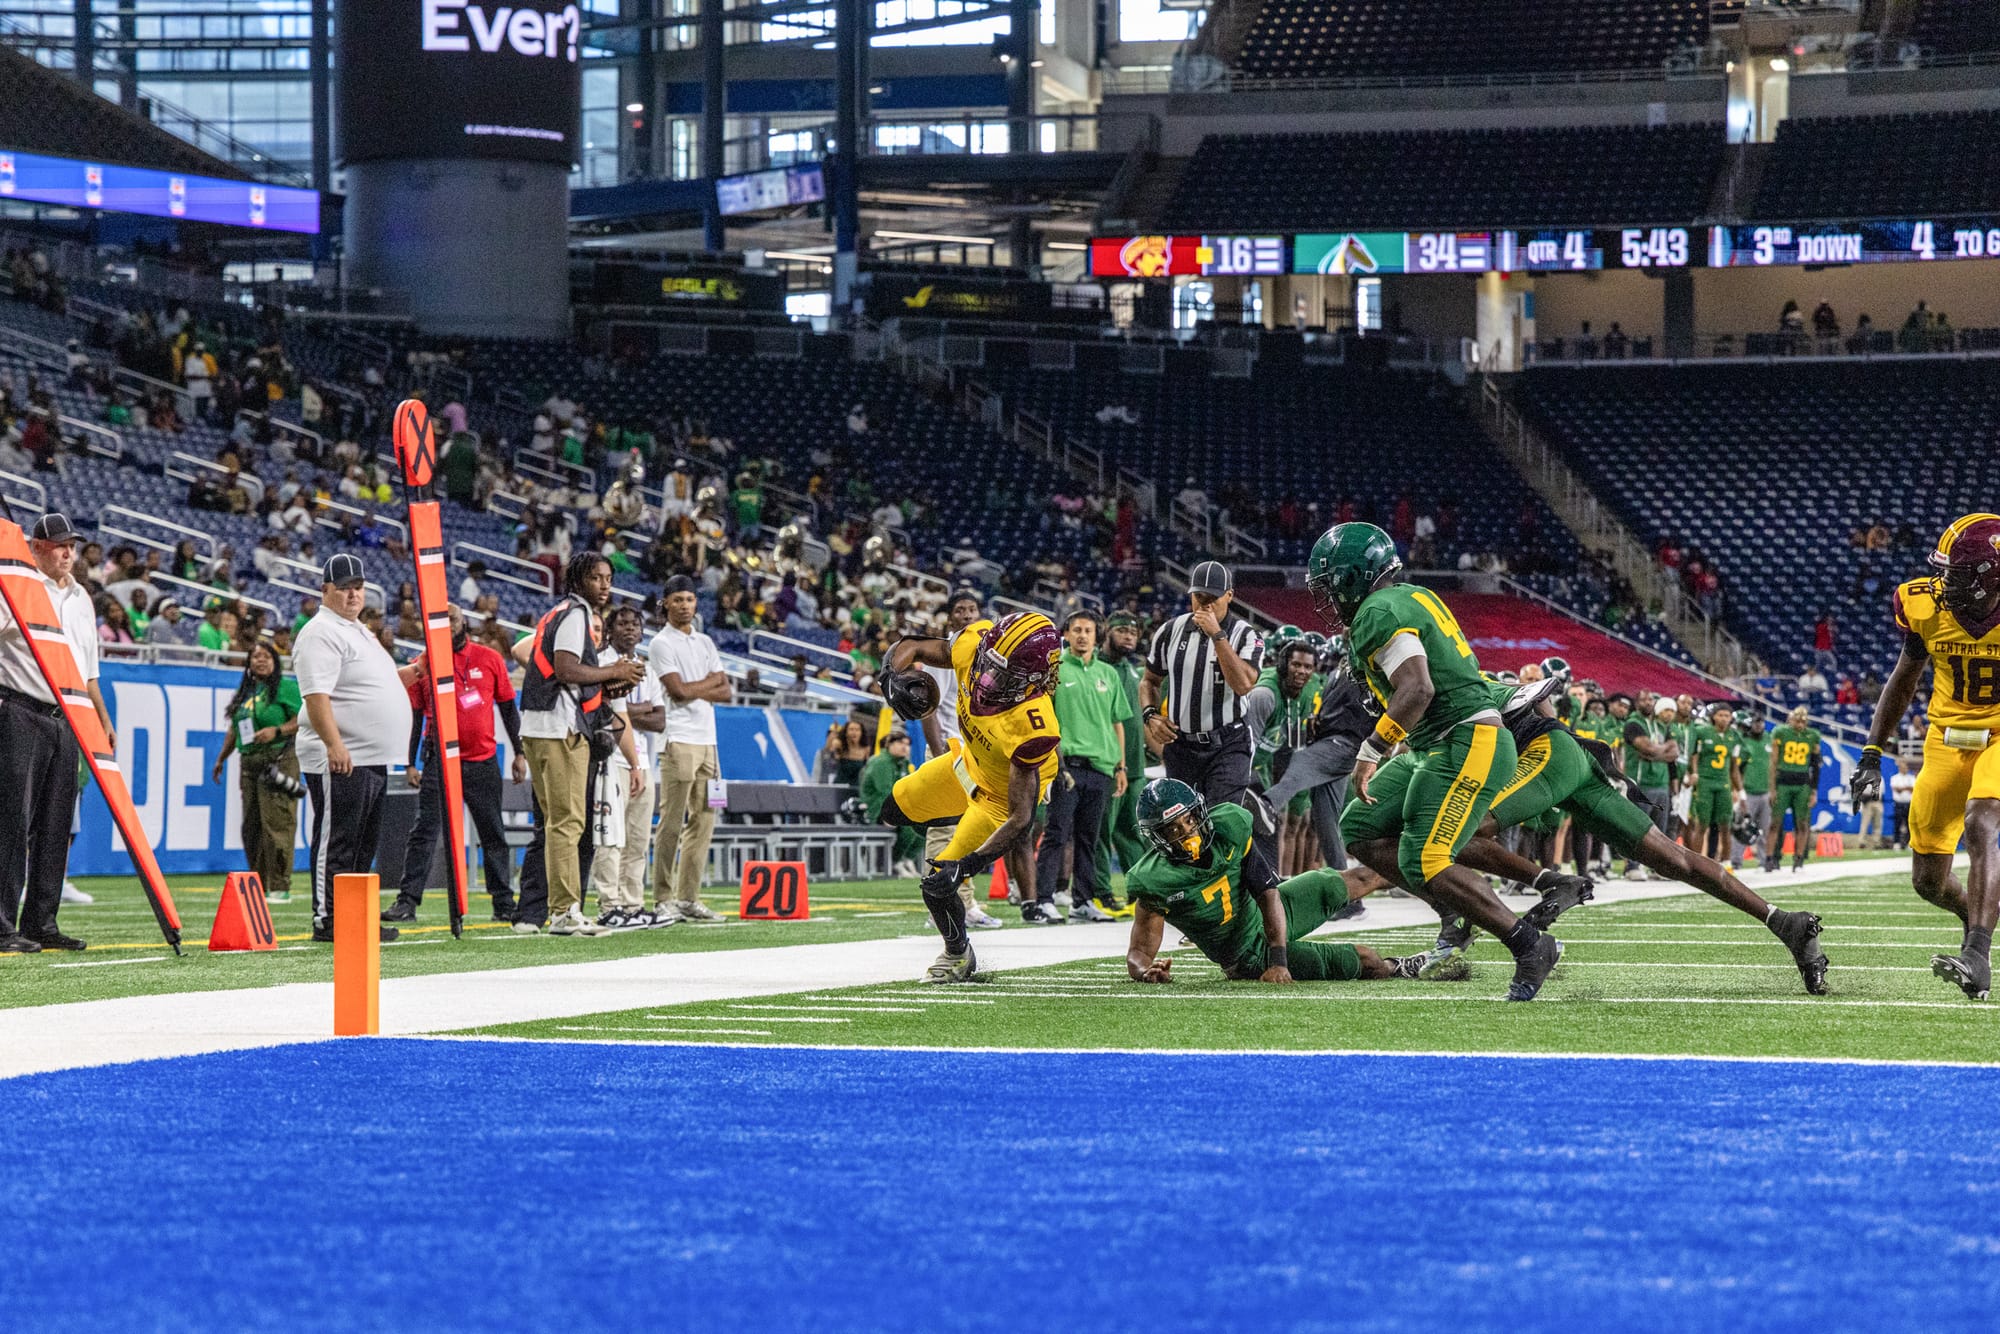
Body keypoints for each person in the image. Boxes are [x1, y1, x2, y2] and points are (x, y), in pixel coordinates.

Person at [1352, 675, 1827, 993]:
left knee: (1453, 829)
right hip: (1567, 757)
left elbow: (1530, 700)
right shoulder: (1442, 686)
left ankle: (1527, 891)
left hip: (1545, 750)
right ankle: (1783, 921)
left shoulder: (1440, 690)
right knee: (1672, 859)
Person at [1302, 521, 1562, 1001]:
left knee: (1424, 857)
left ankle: (1530, 944)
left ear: (1356, 575)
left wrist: (1370, 751)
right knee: (1359, 825)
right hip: (1437, 740)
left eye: (1331, 585)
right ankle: (1455, 912)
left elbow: (1418, 689)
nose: (1329, 599)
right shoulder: (1413, 596)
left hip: (1463, 739)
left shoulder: (1376, 611)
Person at [1850, 514, 2000, 1000]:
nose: (1942, 581)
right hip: (1946, 736)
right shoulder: (1923, 605)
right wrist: (1872, 752)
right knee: (1928, 881)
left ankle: (1978, 952)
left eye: (1954, 572)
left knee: (1983, 822)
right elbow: (1904, 679)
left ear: (1987, 579)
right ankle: (1978, 914)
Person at [878, 610, 1066, 981]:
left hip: (1000, 800)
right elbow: (911, 646)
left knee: (939, 883)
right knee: (893, 810)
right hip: (967, 763)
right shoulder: (975, 643)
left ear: (1032, 681)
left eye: (1002, 673)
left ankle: (957, 953)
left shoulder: (1033, 725)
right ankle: (952, 818)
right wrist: (891, 677)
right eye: (988, 663)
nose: (987, 677)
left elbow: (1020, 819)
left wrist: (969, 866)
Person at [1124, 780, 1440, 985]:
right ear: (1157, 837)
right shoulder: (1155, 881)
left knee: (1358, 878)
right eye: (1173, 829)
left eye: (1190, 819)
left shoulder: (1229, 827)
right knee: (1365, 960)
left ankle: (1444, 882)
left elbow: (1267, 892)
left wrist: (1281, 959)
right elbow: (1139, 951)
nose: (1188, 831)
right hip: (1247, 955)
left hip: (1268, 912)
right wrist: (1145, 972)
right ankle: (1402, 967)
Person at [515, 552, 645, 936]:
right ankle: (564, 910)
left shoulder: (557, 612)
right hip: (559, 727)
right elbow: (566, 668)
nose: (605, 585)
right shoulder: (576, 615)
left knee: (556, 822)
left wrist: (605, 680)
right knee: (568, 822)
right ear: (577, 580)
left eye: (608, 578)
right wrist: (614, 671)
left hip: (539, 725)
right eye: (596, 578)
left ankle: (558, 909)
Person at [0, 513, 110, 952]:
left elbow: (89, 668)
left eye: (72, 545)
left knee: (54, 823)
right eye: (59, 545)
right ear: (36, 547)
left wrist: (101, 717)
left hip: (68, 715)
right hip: (21, 709)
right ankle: (2, 923)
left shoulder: (82, 596)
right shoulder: (15, 588)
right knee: (12, 820)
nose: (68, 553)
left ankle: (41, 920)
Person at [382, 604, 528, 925]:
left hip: (482, 760)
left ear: (464, 623)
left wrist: (519, 753)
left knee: (492, 832)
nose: (446, 624)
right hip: (438, 760)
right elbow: (416, 715)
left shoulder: (489, 659)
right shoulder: (422, 664)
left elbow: (507, 709)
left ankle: (503, 903)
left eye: (452, 618)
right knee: (425, 831)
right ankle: (407, 902)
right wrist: (410, 762)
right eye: (440, 619)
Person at [294, 553, 413, 944]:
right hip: (344, 754)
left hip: (371, 756)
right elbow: (316, 695)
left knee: (363, 845)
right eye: (344, 588)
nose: (352, 595)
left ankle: (356, 915)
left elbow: (372, 684)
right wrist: (334, 744)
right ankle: (327, 919)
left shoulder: (359, 631)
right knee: (338, 841)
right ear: (325, 590)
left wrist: (415, 673)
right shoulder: (320, 632)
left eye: (358, 588)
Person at [1139, 561, 1268, 833]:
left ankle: (1243, 869)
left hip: (1227, 744)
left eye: (1213, 599)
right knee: (1181, 831)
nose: (1205, 606)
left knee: (1220, 826)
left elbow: (1244, 684)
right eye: (1200, 598)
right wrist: (1150, 715)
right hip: (1182, 748)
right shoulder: (1169, 631)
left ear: (1229, 596)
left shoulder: (1247, 635)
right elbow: (1149, 681)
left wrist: (1217, 636)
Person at [918, 590, 1003, 931]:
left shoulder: (988, 653)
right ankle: (939, 903)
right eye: (960, 610)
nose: (967, 615)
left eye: (972, 609)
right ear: (950, 617)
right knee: (944, 829)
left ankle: (964, 902)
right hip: (950, 747)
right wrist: (939, 751)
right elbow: (928, 705)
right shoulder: (946, 651)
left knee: (974, 830)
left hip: (978, 752)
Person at [646, 573, 729, 924]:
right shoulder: (661, 643)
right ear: (665, 603)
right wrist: (707, 684)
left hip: (709, 743)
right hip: (678, 740)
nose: (684, 606)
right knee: (672, 820)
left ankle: (688, 898)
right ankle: (662, 897)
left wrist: (700, 686)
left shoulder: (706, 642)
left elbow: (726, 691)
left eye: (690, 600)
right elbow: (677, 692)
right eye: (677, 599)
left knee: (706, 818)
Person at [1040, 612, 1132, 922]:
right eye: (1077, 629)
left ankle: (1083, 901)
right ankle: (1044, 899)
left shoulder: (1109, 673)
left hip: (1102, 768)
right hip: (1065, 765)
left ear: (1097, 635)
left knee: (1089, 839)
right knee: (1056, 832)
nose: (1082, 635)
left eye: (1088, 630)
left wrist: (1121, 766)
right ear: (1065, 634)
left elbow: (1117, 722)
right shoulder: (1054, 669)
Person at [587, 605, 665, 929]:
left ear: (642, 631)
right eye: (622, 623)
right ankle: (609, 904)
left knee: (636, 840)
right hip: (611, 760)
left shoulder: (648, 669)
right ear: (609, 629)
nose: (630, 628)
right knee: (610, 836)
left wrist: (632, 711)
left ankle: (633, 905)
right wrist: (638, 710)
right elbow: (606, 711)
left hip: (642, 761)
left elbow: (659, 721)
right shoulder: (602, 663)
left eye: (635, 623)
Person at [212, 640, 303, 903]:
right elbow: (235, 729)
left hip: (278, 758)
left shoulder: (285, 687)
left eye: (265, 656)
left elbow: (302, 719)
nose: (260, 660)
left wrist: (277, 730)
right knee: (251, 827)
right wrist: (221, 758)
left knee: (277, 823)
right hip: (249, 762)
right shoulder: (247, 693)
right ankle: (259, 883)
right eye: (254, 656)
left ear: (275, 661)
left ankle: (279, 885)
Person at [1246, 635, 1323, 877]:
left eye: (1307, 666)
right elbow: (1244, 745)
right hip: (1244, 765)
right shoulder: (1264, 695)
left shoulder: (1304, 692)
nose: (1302, 671)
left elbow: (1291, 742)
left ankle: (1285, 884)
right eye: (1296, 665)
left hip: (1268, 763)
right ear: (1283, 665)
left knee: (1281, 824)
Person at [1685, 703, 1741, 866]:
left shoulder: (1734, 736)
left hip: (1723, 783)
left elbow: (1734, 765)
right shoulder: (1702, 731)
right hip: (1705, 781)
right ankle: (1696, 864)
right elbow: (1694, 755)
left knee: (1725, 824)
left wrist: (1739, 789)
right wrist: (1695, 772)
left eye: (1727, 715)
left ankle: (1726, 861)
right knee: (1702, 823)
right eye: (1720, 715)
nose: (1724, 718)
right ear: (1713, 717)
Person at [1768, 706, 1822, 873]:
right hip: (1783, 782)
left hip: (1802, 784)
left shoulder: (1812, 736)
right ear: (1790, 719)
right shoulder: (1781, 732)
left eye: (1803, 721)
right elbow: (1774, 762)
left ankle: (1798, 859)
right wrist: (1772, 788)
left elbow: (1816, 765)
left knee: (1802, 823)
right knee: (1775, 822)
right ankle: (1770, 858)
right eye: (1797, 720)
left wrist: (1814, 790)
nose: (1800, 724)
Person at [861, 727, 921, 877]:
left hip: (898, 807)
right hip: (876, 808)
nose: (904, 747)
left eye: (907, 744)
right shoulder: (881, 763)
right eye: (900, 743)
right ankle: (895, 861)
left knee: (925, 826)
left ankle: (908, 858)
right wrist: (886, 814)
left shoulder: (903, 763)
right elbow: (884, 791)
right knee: (909, 828)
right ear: (889, 744)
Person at [1734, 709, 1773, 866]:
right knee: (1742, 827)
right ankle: (1736, 860)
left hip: (1766, 791)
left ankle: (1764, 861)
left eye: (1760, 722)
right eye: (1755, 723)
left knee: (1764, 829)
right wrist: (1739, 790)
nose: (1758, 726)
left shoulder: (1769, 740)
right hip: (1748, 791)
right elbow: (1737, 768)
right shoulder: (1743, 741)